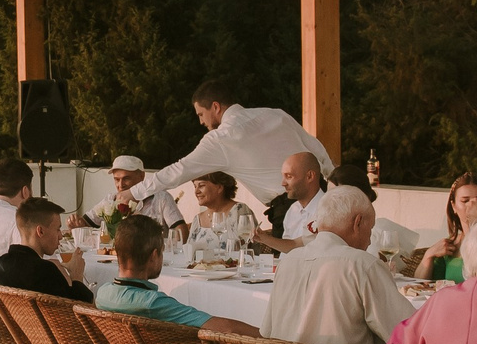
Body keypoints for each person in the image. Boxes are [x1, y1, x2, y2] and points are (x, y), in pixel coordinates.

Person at [127, 79, 329, 225]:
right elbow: (316, 148)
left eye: (201, 114)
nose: (200, 122)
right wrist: (337, 185)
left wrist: (134, 192)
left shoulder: (221, 139)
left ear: (215, 107)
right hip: (323, 197)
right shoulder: (275, 114)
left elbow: (179, 170)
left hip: (289, 209)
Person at [262, 186, 415, 344]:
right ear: (357, 223)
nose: (370, 241)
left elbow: (268, 333)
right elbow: (408, 337)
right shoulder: (363, 265)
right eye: (370, 229)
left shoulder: (288, 261)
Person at [95, 214, 259, 335]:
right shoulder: (152, 303)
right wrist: (267, 335)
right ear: (153, 256)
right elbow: (226, 328)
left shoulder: (102, 294)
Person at [0, 197, 95, 302]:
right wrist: (76, 276)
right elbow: (80, 307)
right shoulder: (45, 271)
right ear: (40, 231)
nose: (60, 236)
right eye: (57, 229)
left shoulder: (2, 264)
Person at [416, 173, 477, 282]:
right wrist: (428, 256)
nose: (473, 206)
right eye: (465, 201)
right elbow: (419, 285)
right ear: (453, 206)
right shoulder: (450, 246)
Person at [253, 150, 330, 252]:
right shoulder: (293, 210)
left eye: (289, 176)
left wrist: (265, 239)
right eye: (283, 176)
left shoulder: (329, 210)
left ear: (310, 176)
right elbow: (287, 252)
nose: (283, 183)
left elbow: (300, 247)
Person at [106, 155, 183, 234]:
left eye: (126, 178)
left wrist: (163, 245)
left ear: (141, 176)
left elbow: (181, 233)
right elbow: (92, 221)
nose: (121, 185)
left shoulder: (161, 198)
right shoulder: (111, 199)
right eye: (117, 179)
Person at [188, 172, 258, 241]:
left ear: (219, 188)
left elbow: (244, 247)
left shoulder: (239, 210)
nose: (196, 191)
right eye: (195, 186)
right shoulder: (197, 219)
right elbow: (189, 250)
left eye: (201, 185)